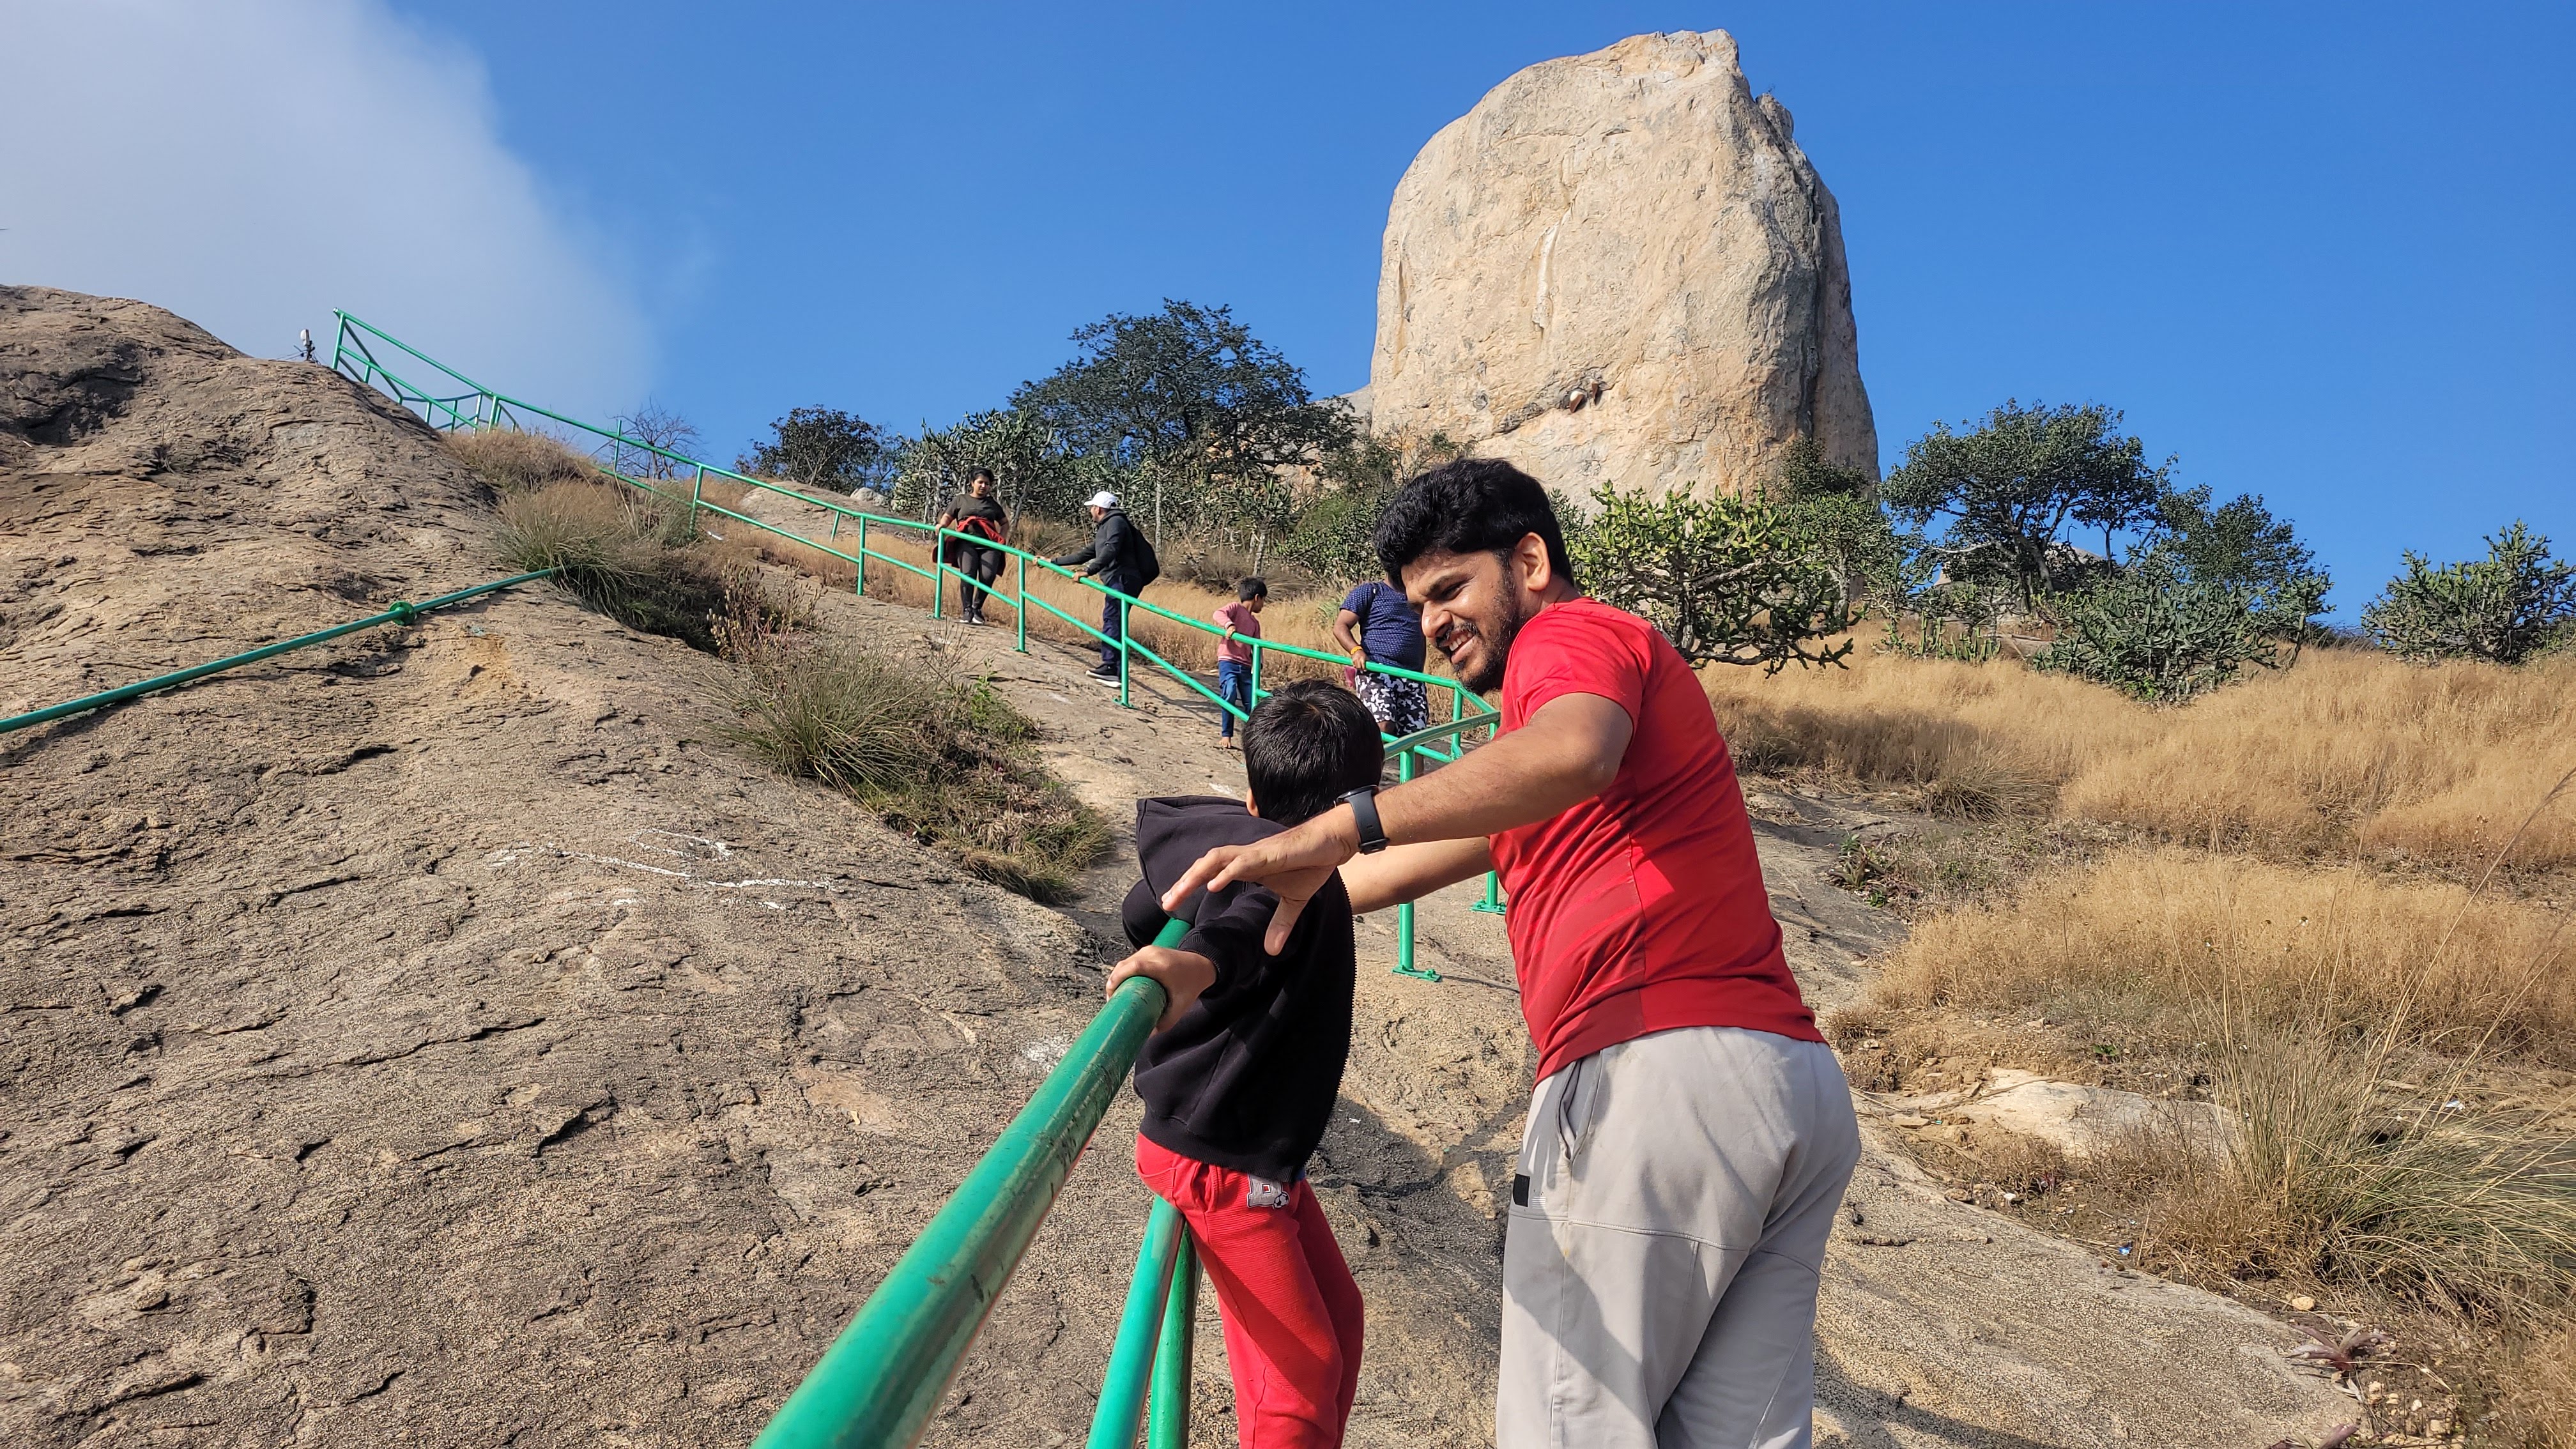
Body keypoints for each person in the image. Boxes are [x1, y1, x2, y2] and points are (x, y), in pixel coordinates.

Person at [1154, 459, 1860, 1449]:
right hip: (1786, 1091)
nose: (1434, 622)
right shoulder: (1548, 763)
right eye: (1417, 602)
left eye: (1451, 589)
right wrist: (1220, 927)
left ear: (1529, 562)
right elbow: (1375, 878)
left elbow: (1570, 752)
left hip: (1655, 1071)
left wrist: (1346, 819)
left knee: (1572, 1430)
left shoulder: (1573, 640)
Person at [1105, 680, 1381, 1449]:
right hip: (1221, 1156)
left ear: (1254, 788)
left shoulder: (1282, 860)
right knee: (1299, 1379)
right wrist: (1189, 970)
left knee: (1341, 1325)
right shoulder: (1280, 879)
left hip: (1263, 1150)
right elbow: (1240, 933)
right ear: (1367, 803)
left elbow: (1143, 909)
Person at [1051, 490, 1145, 686]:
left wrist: (1089, 571)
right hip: (1121, 579)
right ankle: (1115, 670)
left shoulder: (1115, 523)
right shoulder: (1108, 526)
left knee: (1113, 618)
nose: (1091, 511)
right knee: (1115, 620)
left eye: (1092, 508)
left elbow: (1111, 550)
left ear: (1099, 508)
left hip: (1123, 579)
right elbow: (1086, 553)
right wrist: (1053, 561)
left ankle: (1110, 666)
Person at [1331, 574, 1427, 738]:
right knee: (1383, 725)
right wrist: (1356, 650)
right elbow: (1341, 626)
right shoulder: (1371, 591)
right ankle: (1370, 763)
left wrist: (1420, 673)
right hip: (1377, 670)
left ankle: (1412, 765)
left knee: (1416, 737)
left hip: (1411, 676)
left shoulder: (1418, 599)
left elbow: (1423, 636)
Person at [935, 468, 1008, 625]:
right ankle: (967, 610)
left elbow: (1004, 523)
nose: (984, 486)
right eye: (980, 482)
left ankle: (977, 608)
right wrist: (942, 525)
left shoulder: (992, 504)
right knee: (968, 574)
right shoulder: (961, 500)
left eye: (987, 484)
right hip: (965, 543)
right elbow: (948, 516)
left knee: (988, 576)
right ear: (972, 483)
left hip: (989, 545)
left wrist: (1002, 537)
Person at [1211, 576, 1268, 748]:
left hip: (1245, 666)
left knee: (1252, 703)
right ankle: (1226, 734)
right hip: (1228, 660)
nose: (1263, 605)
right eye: (1264, 601)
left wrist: (1259, 664)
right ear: (1257, 598)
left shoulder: (1255, 623)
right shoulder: (1235, 608)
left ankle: (1251, 738)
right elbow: (1218, 614)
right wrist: (1229, 625)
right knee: (1229, 693)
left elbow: (1257, 646)